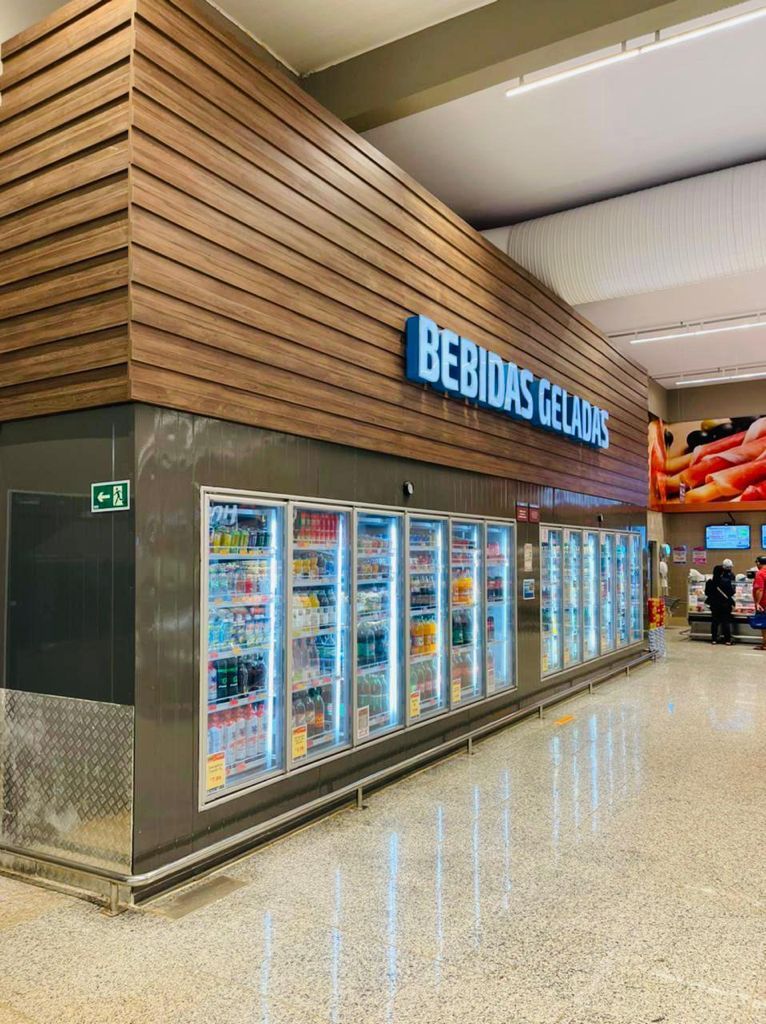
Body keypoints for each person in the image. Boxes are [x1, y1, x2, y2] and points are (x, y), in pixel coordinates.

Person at [705, 564, 735, 645]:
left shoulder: (709, 582)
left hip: (714, 604)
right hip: (725, 604)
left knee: (715, 622)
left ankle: (714, 639)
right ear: (722, 573)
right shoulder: (726, 581)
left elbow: (707, 593)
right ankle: (727, 640)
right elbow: (731, 593)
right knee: (725, 622)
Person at [753, 555, 766, 650]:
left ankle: (765, 644)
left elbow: (760, 590)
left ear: (758, 563)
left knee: (764, 625)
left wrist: (757, 603)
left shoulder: (760, 573)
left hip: (764, 603)